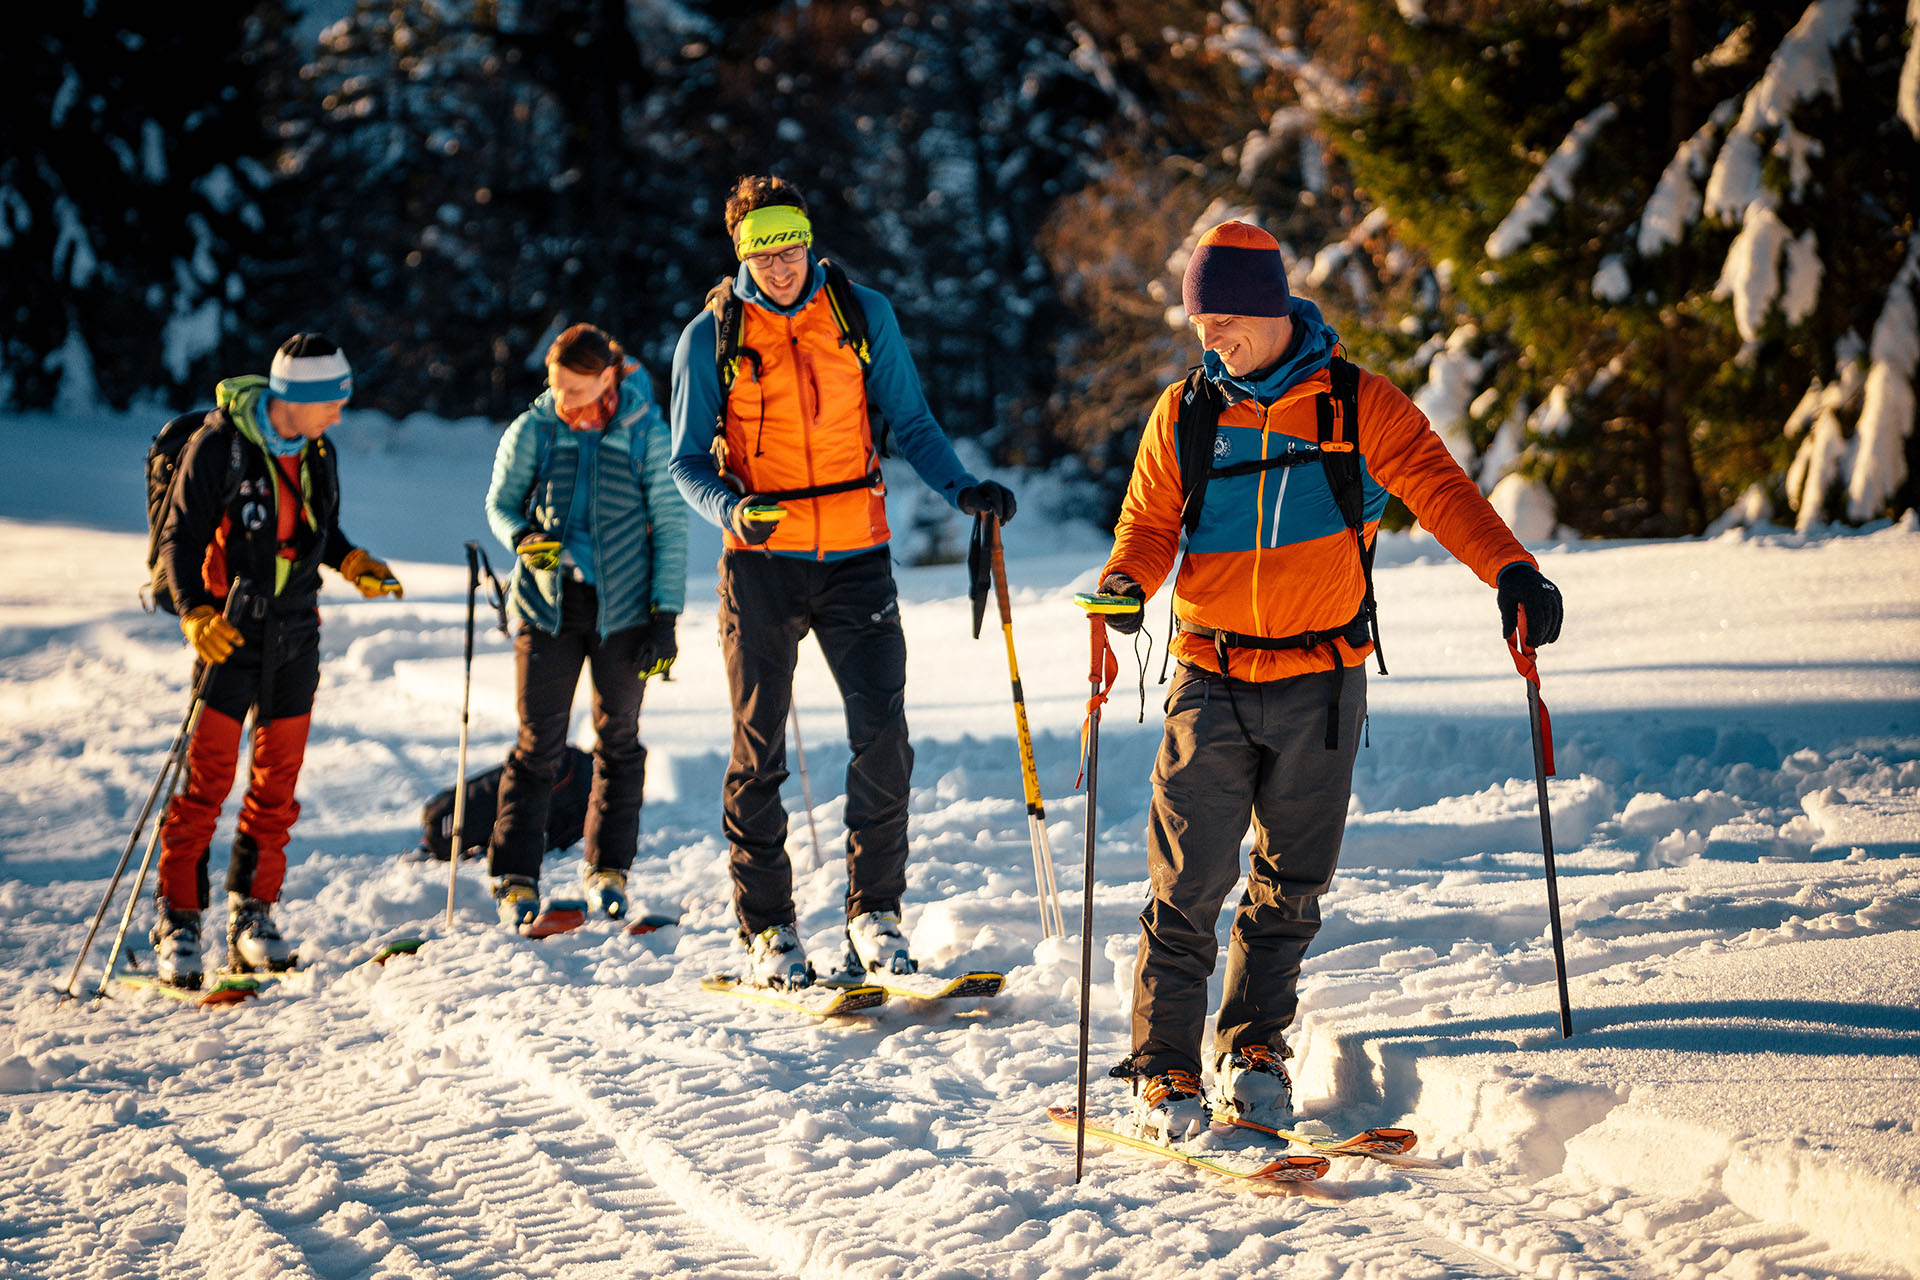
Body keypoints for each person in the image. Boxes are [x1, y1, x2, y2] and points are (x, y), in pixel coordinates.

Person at [1095, 221, 1564, 1142]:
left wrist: (1511, 570)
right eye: (1199, 323)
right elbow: (1148, 526)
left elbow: (1440, 489)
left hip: (1324, 679)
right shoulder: (1187, 412)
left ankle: (1255, 1047)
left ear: (1271, 310)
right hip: (1211, 674)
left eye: (1224, 318)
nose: (1211, 338)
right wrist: (1123, 586)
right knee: (1187, 881)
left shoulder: (1357, 407)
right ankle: (1164, 1068)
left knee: (1292, 880)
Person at [669, 175, 1017, 989]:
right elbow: (685, 460)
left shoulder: (863, 314)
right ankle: (768, 931)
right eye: (763, 251)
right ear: (741, 253)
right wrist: (730, 508)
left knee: (883, 737)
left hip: (858, 555)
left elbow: (913, 422)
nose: (781, 265)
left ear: (809, 239)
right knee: (758, 752)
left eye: (789, 245)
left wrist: (962, 487)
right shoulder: (709, 336)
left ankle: (874, 914)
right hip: (760, 564)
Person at [151, 332, 404, 987]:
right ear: (300, 396)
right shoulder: (220, 447)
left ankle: (252, 916)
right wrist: (194, 613)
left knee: (276, 784)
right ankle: (178, 921)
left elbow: (321, 529)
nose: (341, 414)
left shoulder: (318, 450)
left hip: (296, 632)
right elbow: (180, 538)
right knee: (206, 782)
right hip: (229, 632)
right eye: (333, 401)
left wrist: (351, 560)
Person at [484, 323, 686, 928]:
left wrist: (666, 616)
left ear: (607, 378)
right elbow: (501, 503)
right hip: (548, 606)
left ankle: (609, 869)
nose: (563, 399)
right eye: (555, 387)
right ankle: (516, 876)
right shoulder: (534, 429)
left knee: (618, 739)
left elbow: (671, 529)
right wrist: (523, 538)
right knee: (537, 742)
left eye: (575, 388)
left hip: (625, 612)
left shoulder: (646, 433)